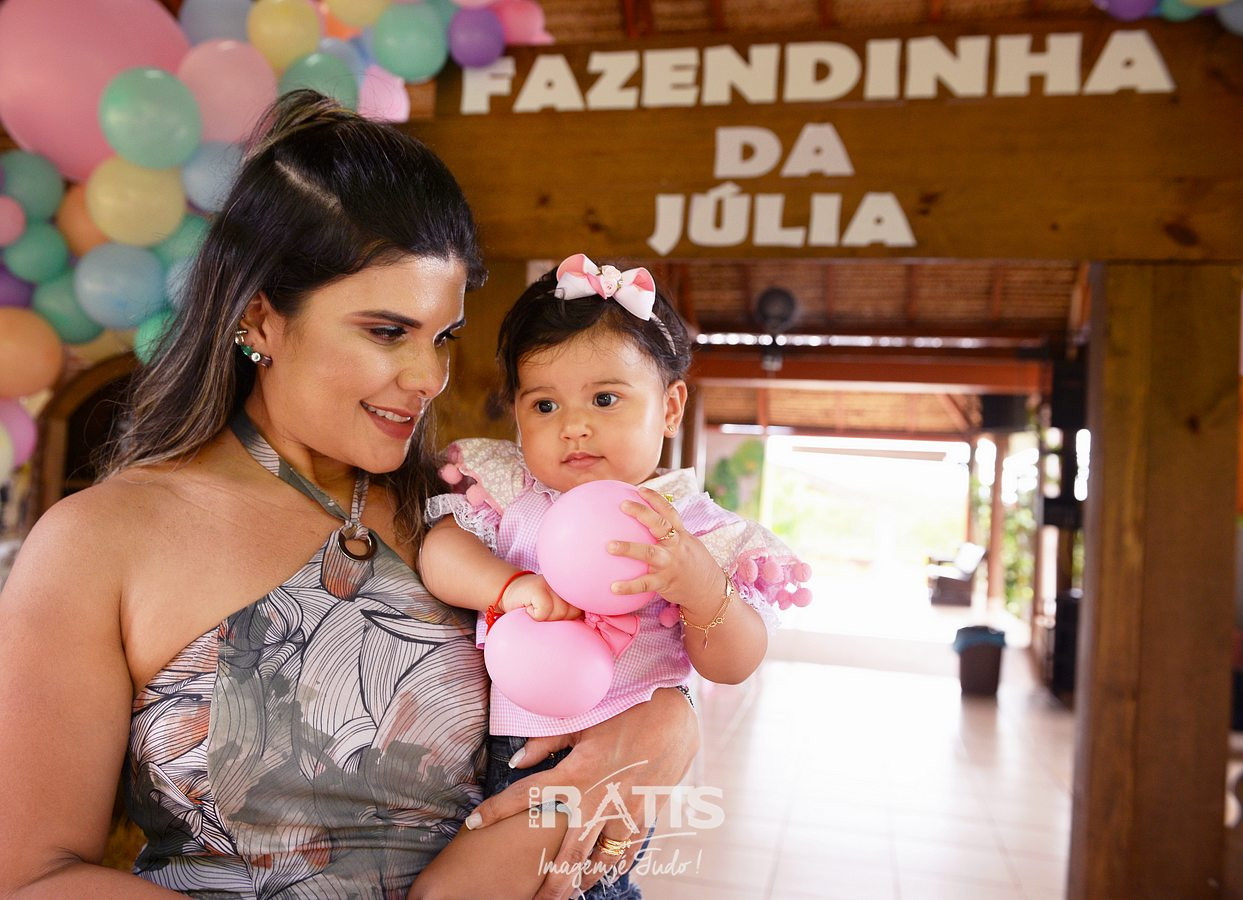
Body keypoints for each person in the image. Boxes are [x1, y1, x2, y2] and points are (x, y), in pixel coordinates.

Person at [0, 92, 697, 900]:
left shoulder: (472, 512)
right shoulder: (98, 540)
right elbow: (31, 877)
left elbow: (633, 645)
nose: (429, 377)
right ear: (260, 318)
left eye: (442, 337)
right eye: (386, 331)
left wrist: (671, 722)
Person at [409, 254, 813, 897]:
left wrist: (700, 587)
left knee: (452, 893)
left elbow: (735, 662)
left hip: (613, 762)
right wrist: (510, 586)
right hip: (505, 750)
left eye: (605, 399)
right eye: (545, 404)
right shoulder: (512, 491)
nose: (574, 426)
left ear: (670, 407)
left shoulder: (693, 529)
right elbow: (440, 552)